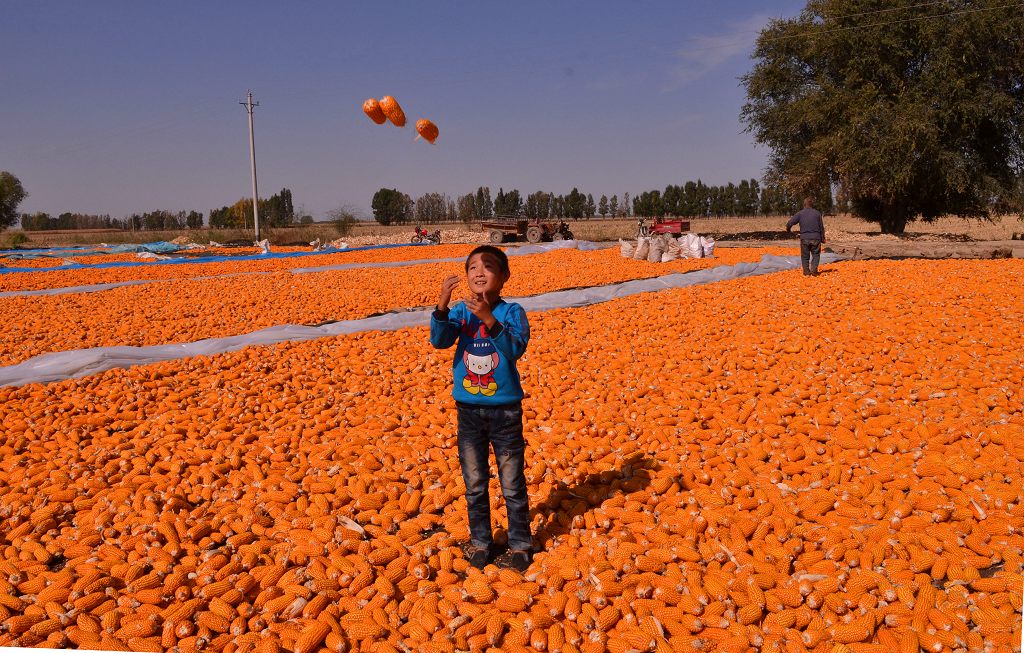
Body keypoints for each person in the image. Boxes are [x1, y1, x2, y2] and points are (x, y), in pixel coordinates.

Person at [430, 245, 532, 571]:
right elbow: (440, 340)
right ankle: (480, 542)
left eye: (487, 267)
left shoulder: (511, 312)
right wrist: (443, 305)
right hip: (469, 411)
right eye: (472, 267)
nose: (478, 272)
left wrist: (488, 317)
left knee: (512, 482)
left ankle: (520, 545)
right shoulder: (460, 312)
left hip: (505, 412)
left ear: (503, 277)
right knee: (474, 482)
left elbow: (515, 348)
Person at [786, 198, 826, 275]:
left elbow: (790, 223)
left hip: (804, 238)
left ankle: (806, 272)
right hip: (816, 238)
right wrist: (823, 238)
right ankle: (814, 269)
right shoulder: (817, 213)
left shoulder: (800, 213)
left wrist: (788, 229)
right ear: (812, 205)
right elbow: (821, 227)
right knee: (816, 255)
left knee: (805, 256)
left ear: (804, 205)